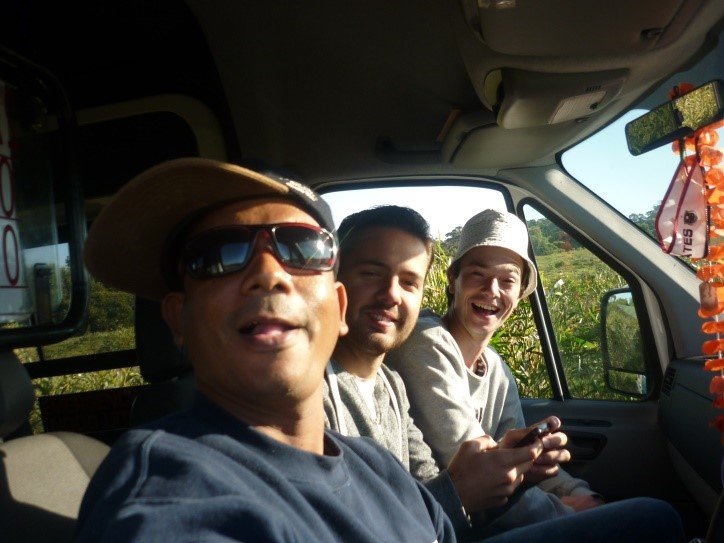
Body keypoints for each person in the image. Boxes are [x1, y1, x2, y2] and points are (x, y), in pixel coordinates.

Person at [76, 160, 684, 542]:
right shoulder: (173, 486)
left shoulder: (367, 456)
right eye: (220, 256)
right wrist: (468, 491)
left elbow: (434, 517)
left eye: (302, 250)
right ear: (178, 319)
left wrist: (504, 482)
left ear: (335, 305)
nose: (269, 274)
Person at [325, 205, 575, 533]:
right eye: (371, 273)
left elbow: (426, 488)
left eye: (409, 282)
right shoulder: (312, 395)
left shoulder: (391, 387)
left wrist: (525, 472)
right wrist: (462, 492)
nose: (391, 294)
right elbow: (347, 525)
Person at [386, 209, 604, 528]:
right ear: (453, 280)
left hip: (486, 519)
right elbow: (481, 471)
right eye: (478, 274)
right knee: (655, 515)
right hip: (442, 525)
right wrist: (567, 512)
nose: (492, 290)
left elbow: (522, 458)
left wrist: (584, 496)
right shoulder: (425, 341)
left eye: (507, 280)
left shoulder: (497, 370)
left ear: (520, 292)